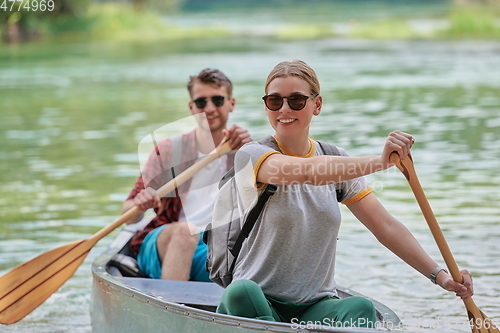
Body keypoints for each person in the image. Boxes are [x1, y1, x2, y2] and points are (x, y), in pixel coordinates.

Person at [215, 60, 474, 328]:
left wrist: (441, 277)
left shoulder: (335, 158)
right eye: (274, 100)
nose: (284, 109)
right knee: (241, 291)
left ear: (317, 105)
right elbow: (308, 172)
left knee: (360, 307)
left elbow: (385, 227)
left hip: (313, 307)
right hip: (254, 303)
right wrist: (382, 162)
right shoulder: (251, 155)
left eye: (296, 100)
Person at [122, 68, 251, 281]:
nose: (209, 109)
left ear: (231, 104)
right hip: (166, 241)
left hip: (213, 248)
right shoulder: (168, 152)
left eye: (218, 100)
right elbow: (129, 214)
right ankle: (170, 307)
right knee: (185, 232)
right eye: (201, 103)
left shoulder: (247, 153)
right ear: (192, 108)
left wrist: (249, 153)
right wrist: (140, 203)